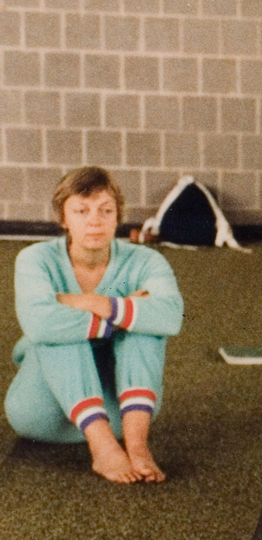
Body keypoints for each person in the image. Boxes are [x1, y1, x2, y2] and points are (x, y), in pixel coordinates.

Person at [5, 167, 184, 482]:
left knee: (146, 329)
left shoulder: (146, 261)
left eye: (106, 210)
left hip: (122, 413)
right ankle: (102, 448)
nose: (94, 220)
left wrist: (98, 304)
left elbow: (170, 316)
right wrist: (123, 316)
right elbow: (39, 324)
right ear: (63, 218)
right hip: (41, 412)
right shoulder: (35, 259)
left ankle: (137, 446)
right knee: (67, 332)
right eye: (81, 210)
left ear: (118, 216)